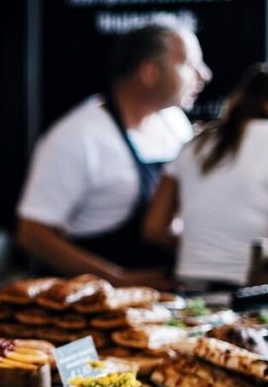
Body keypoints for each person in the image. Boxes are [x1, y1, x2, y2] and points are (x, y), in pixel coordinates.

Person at [16, 21, 211, 289]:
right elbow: (33, 233)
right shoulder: (78, 137)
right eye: (190, 65)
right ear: (149, 72)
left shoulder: (175, 123)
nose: (205, 75)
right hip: (93, 302)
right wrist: (116, 280)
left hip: (164, 294)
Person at [142, 57, 268, 290]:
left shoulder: (198, 142)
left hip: (190, 291)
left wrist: (207, 249)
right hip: (252, 296)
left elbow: (153, 229)